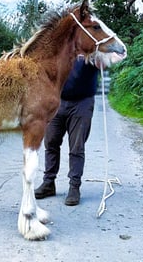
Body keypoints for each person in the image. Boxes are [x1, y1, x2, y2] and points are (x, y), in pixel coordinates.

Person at [34, 54, 100, 206]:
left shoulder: (91, 44)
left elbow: (112, 57)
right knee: (50, 142)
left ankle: (74, 187)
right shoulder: (59, 45)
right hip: (57, 101)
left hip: (82, 102)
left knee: (77, 147)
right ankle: (48, 183)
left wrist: (100, 59)